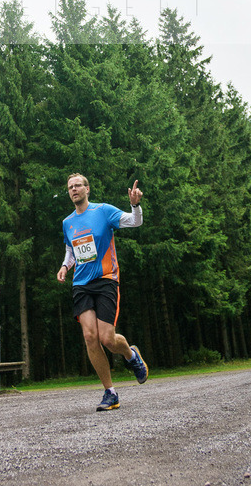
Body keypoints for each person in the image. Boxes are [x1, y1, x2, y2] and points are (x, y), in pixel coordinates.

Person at [57, 173, 148, 411]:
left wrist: (135, 205)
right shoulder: (68, 223)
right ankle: (110, 393)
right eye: (70, 187)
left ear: (87, 189)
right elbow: (71, 249)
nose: (74, 189)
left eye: (78, 185)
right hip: (81, 284)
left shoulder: (103, 211)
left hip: (106, 280)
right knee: (90, 336)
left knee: (107, 339)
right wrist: (65, 266)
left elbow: (134, 222)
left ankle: (131, 356)